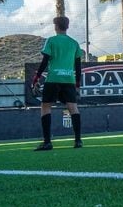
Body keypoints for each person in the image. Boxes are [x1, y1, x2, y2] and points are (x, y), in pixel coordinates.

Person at [31, 16, 84, 150]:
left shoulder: (51, 41)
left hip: (53, 79)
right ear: (67, 26)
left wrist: (36, 78)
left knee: (45, 106)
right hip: (69, 80)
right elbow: (78, 66)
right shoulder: (74, 43)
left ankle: (47, 142)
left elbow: (44, 61)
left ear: (56, 27)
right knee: (73, 108)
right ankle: (78, 141)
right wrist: (77, 85)